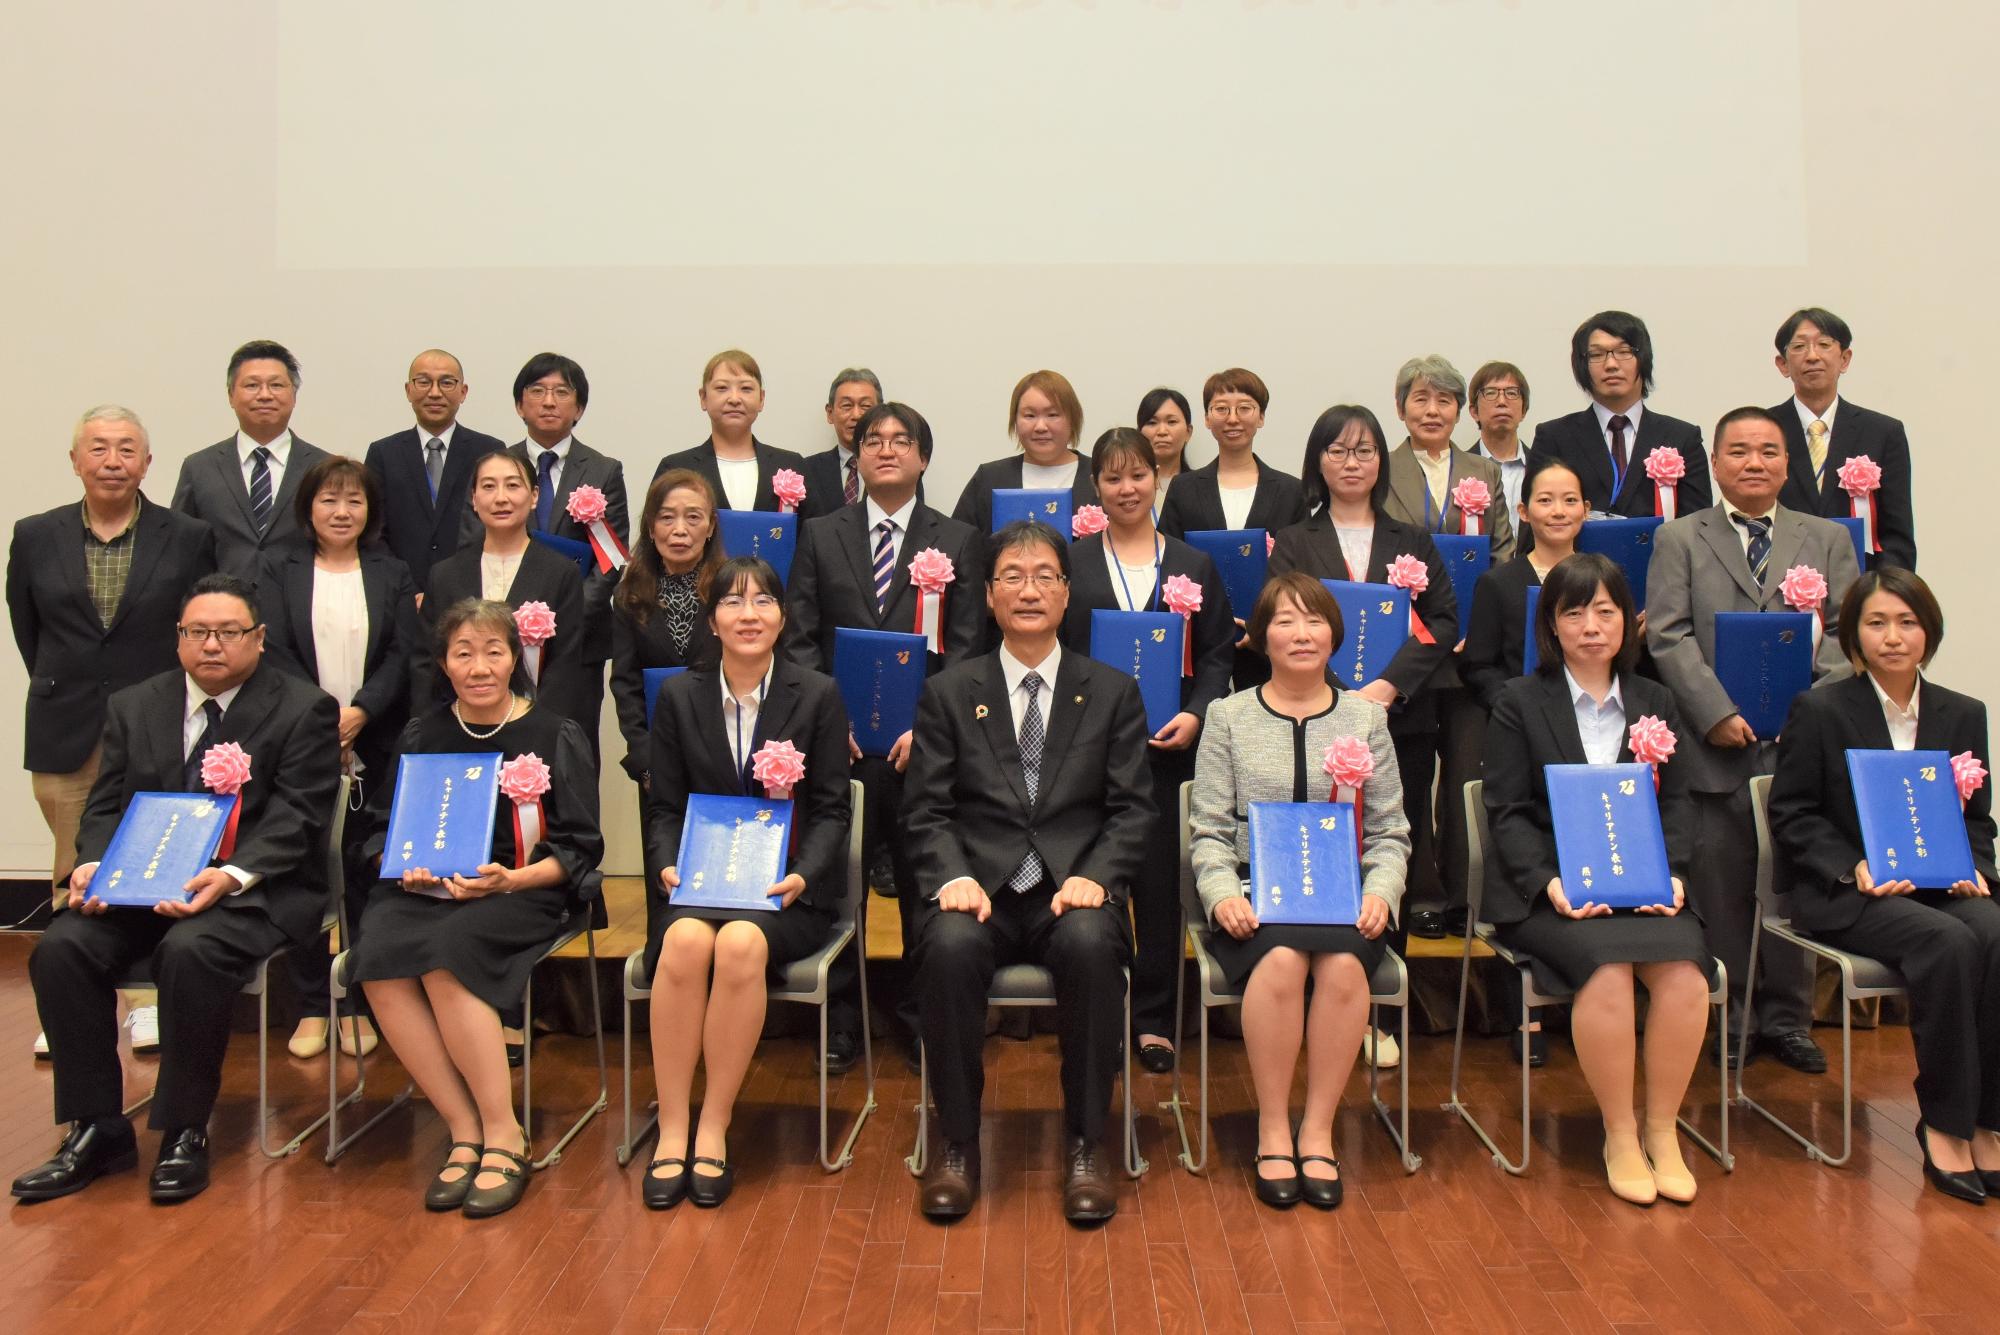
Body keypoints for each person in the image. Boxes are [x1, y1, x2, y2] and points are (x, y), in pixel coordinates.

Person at [11, 574, 340, 1204]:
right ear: (179, 637)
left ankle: (185, 1129)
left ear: (259, 638)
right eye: (197, 632)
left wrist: (229, 874)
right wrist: (95, 864)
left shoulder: (302, 708)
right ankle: (96, 1127)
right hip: (142, 886)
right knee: (61, 947)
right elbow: (106, 805)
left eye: (228, 632)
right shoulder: (136, 704)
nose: (211, 645)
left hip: (249, 890)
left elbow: (299, 816)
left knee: (190, 951)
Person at [902, 521, 1152, 1224]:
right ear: (987, 595)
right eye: (1012, 574)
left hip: (1071, 889)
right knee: (947, 947)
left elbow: (1134, 809)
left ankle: (1085, 1140)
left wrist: (1098, 874)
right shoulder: (951, 692)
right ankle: (956, 1142)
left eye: (1045, 574)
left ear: (1068, 593)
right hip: (977, 888)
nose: (1029, 588)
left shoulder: (1111, 690)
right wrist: (951, 874)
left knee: (1091, 945)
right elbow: (923, 810)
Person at [346, 598, 603, 1219]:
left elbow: (580, 848)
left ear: (515, 658)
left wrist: (511, 879)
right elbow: (383, 827)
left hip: (522, 891)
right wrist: (403, 862)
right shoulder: (421, 734)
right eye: (464, 653)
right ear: (444, 664)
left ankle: (505, 1134)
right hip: (422, 891)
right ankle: (463, 1128)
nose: (480, 666)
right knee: (376, 956)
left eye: (494, 651)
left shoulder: (552, 732)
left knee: (447, 955)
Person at [1483, 554, 1712, 1206]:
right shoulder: (1518, 703)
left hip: (1643, 886)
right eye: (1574, 611)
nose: (1591, 625)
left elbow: (1678, 803)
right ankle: (1619, 1131)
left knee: (1685, 975)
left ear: (1627, 621)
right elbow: (1507, 809)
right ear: (1551, 626)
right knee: (1607, 971)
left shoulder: (1655, 701)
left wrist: (1673, 875)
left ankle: (1663, 1130)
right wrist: (1549, 881)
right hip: (1553, 894)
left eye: (1606, 610)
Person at [1769, 569, 1997, 1202]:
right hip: (1849, 891)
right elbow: (1790, 813)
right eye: (1877, 623)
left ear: (1929, 631)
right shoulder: (1820, 708)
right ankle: (1946, 1124)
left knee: (1995, 931)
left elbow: (1978, 821)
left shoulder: (1962, 712)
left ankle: (1988, 1120)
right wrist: (1852, 865)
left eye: (1907, 622)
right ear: (1852, 635)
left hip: (1939, 884)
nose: (1893, 637)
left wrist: (1975, 865)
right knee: (1948, 944)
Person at [1647, 406, 1861, 1074]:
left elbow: (1849, 639)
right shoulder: (1680, 536)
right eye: (1738, 450)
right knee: (1726, 882)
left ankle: (1789, 1018)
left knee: (1793, 881)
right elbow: (1669, 635)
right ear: (1715, 462)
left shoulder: (1827, 538)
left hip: (1801, 746)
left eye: (1768, 450)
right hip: (1716, 744)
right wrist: (1716, 711)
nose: (1754, 462)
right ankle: (1731, 1016)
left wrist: (1808, 719)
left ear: (1787, 463)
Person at [1187, 573, 1410, 1209]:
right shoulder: (1227, 717)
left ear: (1334, 634)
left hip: (1346, 905)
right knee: (1283, 960)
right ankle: (1272, 1129)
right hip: (1256, 906)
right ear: (1260, 637)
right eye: (1284, 620)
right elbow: (1207, 832)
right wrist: (1223, 893)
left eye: (1314, 620)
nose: (1301, 633)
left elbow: (1391, 830)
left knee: (1342, 967)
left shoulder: (1366, 718)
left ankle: (1317, 1129)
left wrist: (1382, 893)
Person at [640, 557, 853, 1208]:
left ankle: (714, 1123)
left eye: (763, 600)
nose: (749, 613)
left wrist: (803, 873)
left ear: (783, 617)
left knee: (737, 944)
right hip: (699, 883)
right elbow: (664, 806)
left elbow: (832, 807)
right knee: (682, 945)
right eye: (733, 602)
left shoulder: (815, 694)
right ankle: (672, 1124)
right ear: (713, 621)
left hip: (779, 893)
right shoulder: (680, 695)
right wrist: (664, 862)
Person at [9, 405, 217, 1059]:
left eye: (127, 448)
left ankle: (151, 1002)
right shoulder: (36, 533)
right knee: (74, 866)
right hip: (65, 722)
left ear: (147, 463)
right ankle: (77, 1005)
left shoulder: (184, 535)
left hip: (156, 724)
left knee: (158, 861)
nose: (112, 459)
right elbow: (27, 625)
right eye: (98, 447)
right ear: (75, 460)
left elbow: (196, 622)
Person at [784, 402, 986, 1070]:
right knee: (841, 887)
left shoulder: (955, 538)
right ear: (858, 456)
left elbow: (965, 647)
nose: (888, 450)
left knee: (924, 883)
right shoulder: (819, 533)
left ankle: (926, 1015)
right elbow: (802, 635)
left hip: (921, 750)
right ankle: (843, 1019)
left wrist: (925, 725)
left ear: (924, 457)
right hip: (839, 746)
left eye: (903, 441)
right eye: (874, 440)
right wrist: (829, 720)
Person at [1270, 404, 1457, 1065]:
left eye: (1366, 450)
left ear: (1382, 461)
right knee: (1321, 852)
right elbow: (1279, 617)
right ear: (1318, 461)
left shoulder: (1413, 539)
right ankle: (1313, 1004)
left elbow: (1441, 616)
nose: (1353, 462)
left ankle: (1381, 1014)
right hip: (1311, 721)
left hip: (1395, 722)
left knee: (1387, 852)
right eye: (1339, 451)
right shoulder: (1293, 540)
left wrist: (1385, 687)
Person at [1059, 428, 1234, 1075]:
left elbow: (1217, 656)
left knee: (1160, 888)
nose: (1126, 488)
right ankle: (1095, 1009)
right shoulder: (1072, 563)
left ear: (1156, 478)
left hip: (1168, 752)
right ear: (1096, 487)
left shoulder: (1193, 564)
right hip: (1084, 753)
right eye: (1112, 478)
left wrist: (1196, 713)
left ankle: (1155, 1018)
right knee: (1091, 883)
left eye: (1137, 475)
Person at [257, 455, 425, 1060]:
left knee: (362, 872)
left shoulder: (391, 570)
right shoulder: (276, 567)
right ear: (308, 507)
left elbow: (404, 656)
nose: (341, 511)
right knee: (301, 872)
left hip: (372, 742)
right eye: (329, 500)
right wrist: (319, 720)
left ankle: (356, 996)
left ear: (370, 511)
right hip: (298, 743)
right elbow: (270, 651)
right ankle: (308, 1004)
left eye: (353, 501)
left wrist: (359, 714)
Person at [1461, 453, 1593, 1064]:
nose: (1558, 510)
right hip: (1519, 742)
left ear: (1586, 511)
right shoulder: (1501, 583)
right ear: (1522, 510)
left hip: (1592, 746)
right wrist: (1518, 708)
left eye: (1570, 500)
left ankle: (1586, 1003)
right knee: (1524, 863)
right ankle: (1523, 1018)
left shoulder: (1602, 579)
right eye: (1545, 500)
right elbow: (1478, 663)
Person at [1380, 355, 1514, 941]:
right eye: (1421, 400)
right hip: (1407, 653)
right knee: (1407, 781)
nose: (1432, 411)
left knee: (1464, 777)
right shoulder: (1380, 469)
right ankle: (1420, 895)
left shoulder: (1483, 471)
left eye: (1444, 402)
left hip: (1467, 654)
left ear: (1462, 411)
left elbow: (1505, 552)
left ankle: (1464, 894)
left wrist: (1478, 624)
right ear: (1401, 407)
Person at [506, 352, 628, 756]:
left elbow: (611, 560)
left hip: (579, 642)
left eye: (561, 392)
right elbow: (476, 546)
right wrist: (511, 625)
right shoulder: (496, 468)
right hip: (502, 642)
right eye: (537, 391)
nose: (548, 401)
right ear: (520, 404)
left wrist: (563, 619)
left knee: (574, 749)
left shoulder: (604, 470)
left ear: (579, 408)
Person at [422, 451, 588, 730]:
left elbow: (565, 665)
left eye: (513, 485)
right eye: (488, 486)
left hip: (535, 730)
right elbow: (426, 661)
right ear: (474, 499)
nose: (501, 498)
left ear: (534, 496)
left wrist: (535, 726)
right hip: (457, 728)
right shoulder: (444, 575)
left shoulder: (561, 573)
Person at [1768, 307, 1917, 571]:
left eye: (1824, 344)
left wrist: (1882, 596)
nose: (1812, 356)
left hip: (1861, 587)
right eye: (1800, 346)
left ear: (1845, 359)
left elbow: (1896, 535)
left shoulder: (1883, 432)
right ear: (1783, 364)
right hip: (1778, 586)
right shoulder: (1764, 430)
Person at [1529, 312, 1710, 522]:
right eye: (1596, 355)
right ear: (1581, 365)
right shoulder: (1554, 437)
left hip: (1660, 554)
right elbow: (1536, 524)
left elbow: (1698, 527)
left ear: (1643, 359)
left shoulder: (1683, 438)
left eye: (1624, 351)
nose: (1611, 364)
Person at [172, 340, 330, 580]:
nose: (265, 395)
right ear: (231, 396)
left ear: (294, 395)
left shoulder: (324, 467)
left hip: (302, 610)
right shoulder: (199, 467)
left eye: (276, 385)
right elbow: (180, 548)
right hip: (222, 611)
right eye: (252, 385)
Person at [609, 469, 725, 792]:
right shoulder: (628, 595)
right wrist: (645, 761)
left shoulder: (730, 590)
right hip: (658, 761)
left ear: (711, 526)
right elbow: (625, 683)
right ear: (650, 526)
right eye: (666, 518)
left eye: (693, 517)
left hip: (724, 753)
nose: (679, 531)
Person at [362, 349, 506, 589]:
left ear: (463, 392)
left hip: (474, 592)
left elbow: (499, 525)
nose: (435, 392)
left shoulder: (490, 450)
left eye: (447, 383)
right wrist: (405, 587)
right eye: (424, 382)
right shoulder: (383, 453)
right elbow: (373, 530)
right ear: (408, 390)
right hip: (400, 593)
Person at [1157, 369, 1309, 540]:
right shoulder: (1183, 489)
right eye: (1221, 409)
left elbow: (1304, 559)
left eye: (1244, 408)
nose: (1233, 419)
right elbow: (1168, 555)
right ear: (1207, 418)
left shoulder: (1291, 492)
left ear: (1261, 417)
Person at [653, 350, 809, 512]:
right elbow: (654, 531)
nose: (734, 399)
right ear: (703, 398)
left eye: (746, 388)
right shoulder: (675, 467)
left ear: (761, 399)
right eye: (721, 388)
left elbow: (814, 534)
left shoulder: (790, 465)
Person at [950, 370, 1099, 535]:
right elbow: (959, 545)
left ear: (1073, 419)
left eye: (1052, 415)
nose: (1041, 427)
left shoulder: (1100, 476)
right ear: (1015, 420)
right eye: (1030, 415)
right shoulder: (989, 479)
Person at [795, 368, 897, 522]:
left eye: (865, 406)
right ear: (830, 413)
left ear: (880, 413)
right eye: (847, 406)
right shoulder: (807, 469)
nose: (856, 415)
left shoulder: (897, 467)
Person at [1467, 361, 1533, 521]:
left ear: (1524, 410)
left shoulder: (1543, 468)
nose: (1502, 401)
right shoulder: (1457, 470)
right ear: (1474, 411)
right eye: (1490, 393)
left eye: (1512, 393)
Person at [1136, 387, 1193, 515]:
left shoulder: (1200, 487)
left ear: (1188, 432)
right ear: (1139, 433)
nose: (1162, 431)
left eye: (1171, 422)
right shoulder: (1129, 490)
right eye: (1152, 422)